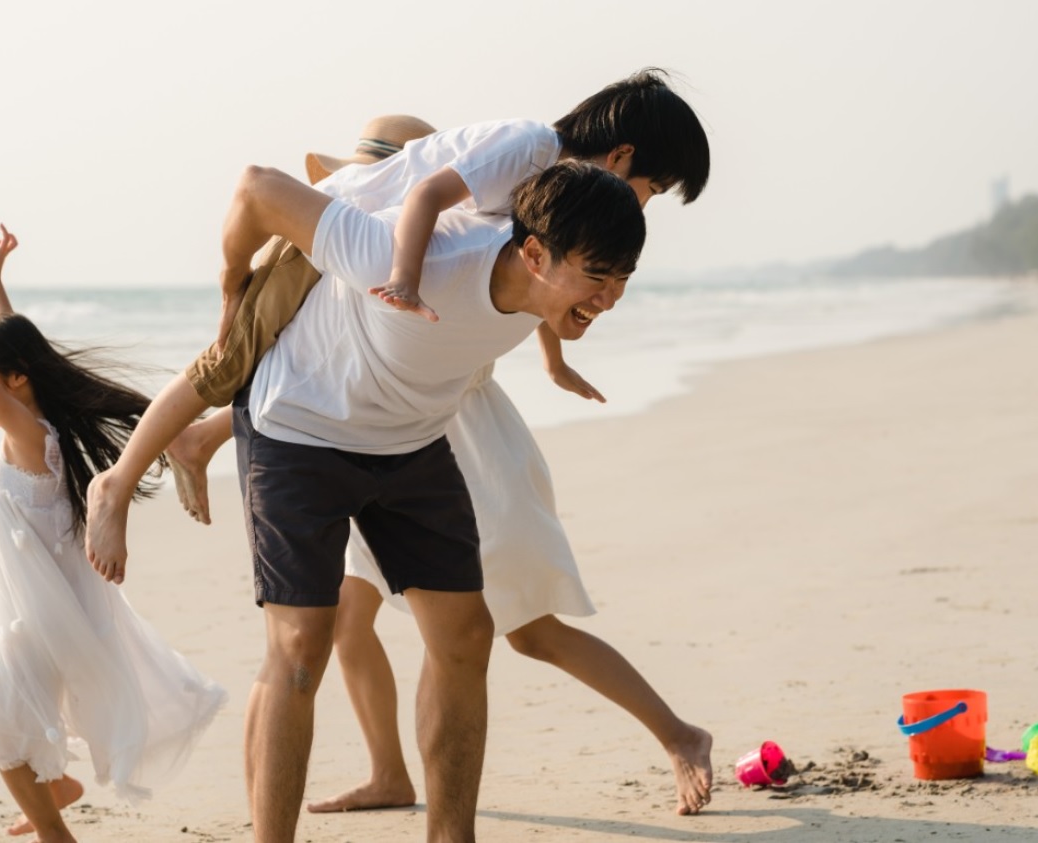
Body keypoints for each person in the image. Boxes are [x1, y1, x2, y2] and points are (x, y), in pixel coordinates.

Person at [118, 160, 646, 842]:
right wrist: (231, 282)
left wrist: (557, 358)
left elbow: (538, 287)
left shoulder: (543, 286)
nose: (608, 297)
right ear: (535, 254)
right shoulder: (420, 258)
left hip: (411, 442)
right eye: (597, 278)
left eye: (622, 281)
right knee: (302, 644)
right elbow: (256, 187)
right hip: (299, 427)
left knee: (465, 635)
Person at [83, 68, 710, 572]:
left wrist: (555, 359)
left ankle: (201, 440)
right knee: (227, 362)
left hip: (372, 263)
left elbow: (541, 277)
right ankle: (117, 482)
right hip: (327, 238)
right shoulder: (529, 149)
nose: (643, 206)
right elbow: (426, 197)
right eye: (650, 189)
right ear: (622, 154)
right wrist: (404, 279)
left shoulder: (559, 195)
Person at [0, 224, 227, 843]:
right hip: (15, 612)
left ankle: (54, 833)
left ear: (13, 381)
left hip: (33, 619)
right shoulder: (37, 427)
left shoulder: (28, 438)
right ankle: (57, 794)